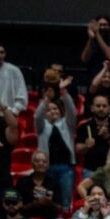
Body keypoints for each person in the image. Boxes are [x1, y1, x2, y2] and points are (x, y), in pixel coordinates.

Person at [33, 79, 77, 210]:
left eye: (55, 108)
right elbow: (37, 116)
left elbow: (72, 111)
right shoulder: (41, 127)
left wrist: (63, 92)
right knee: (45, 199)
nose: (52, 111)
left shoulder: (67, 124)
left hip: (66, 168)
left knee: (65, 201)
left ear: (60, 110)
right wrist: (46, 98)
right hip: (46, 168)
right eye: (49, 109)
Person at [75, 94, 110, 178]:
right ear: (92, 108)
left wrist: (108, 137)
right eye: (98, 106)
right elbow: (78, 149)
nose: (101, 109)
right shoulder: (84, 126)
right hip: (90, 170)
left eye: (104, 106)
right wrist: (86, 146)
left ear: (109, 109)